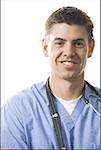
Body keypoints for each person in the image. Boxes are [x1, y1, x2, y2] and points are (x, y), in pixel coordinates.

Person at [1, 6, 101, 150]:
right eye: (60, 43)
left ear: (90, 48)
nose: (69, 52)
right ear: (45, 47)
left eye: (78, 43)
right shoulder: (17, 111)